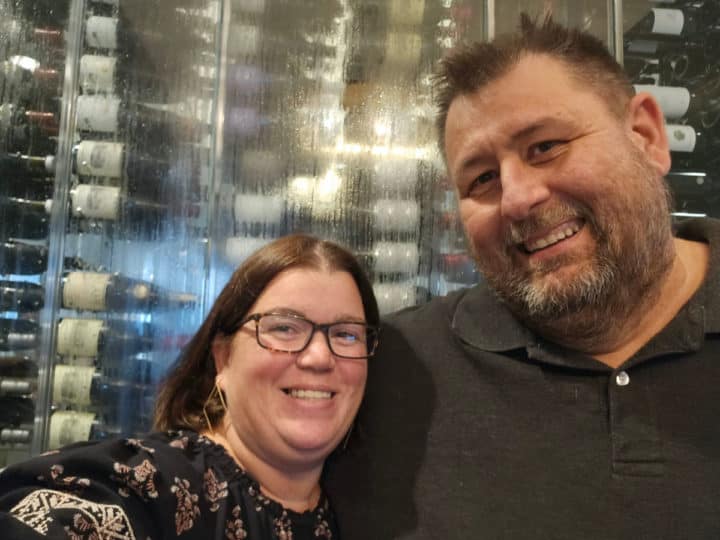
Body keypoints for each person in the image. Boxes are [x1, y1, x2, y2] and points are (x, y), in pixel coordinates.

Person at [325, 13, 720, 540]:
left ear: (646, 136)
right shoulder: (387, 371)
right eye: (482, 178)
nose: (516, 198)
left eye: (546, 146)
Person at [0, 233, 380, 539]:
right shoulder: (156, 485)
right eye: (283, 328)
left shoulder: (356, 511)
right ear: (223, 359)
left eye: (346, 335)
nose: (318, 357)